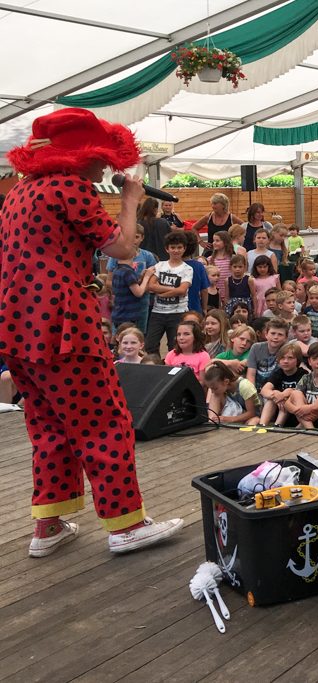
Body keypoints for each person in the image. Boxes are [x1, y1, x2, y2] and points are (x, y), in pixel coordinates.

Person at [1, 107, 183, 557]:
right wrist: (132, 197)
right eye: (100, 156)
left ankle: (48, 525)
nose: (106, 166)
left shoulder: (17, 195)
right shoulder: (70, 188)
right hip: (63, 321)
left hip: (18, 324)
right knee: (104, 421)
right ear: (79, 156)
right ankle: (127, 524)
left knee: (47, 424)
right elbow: (122, 247)